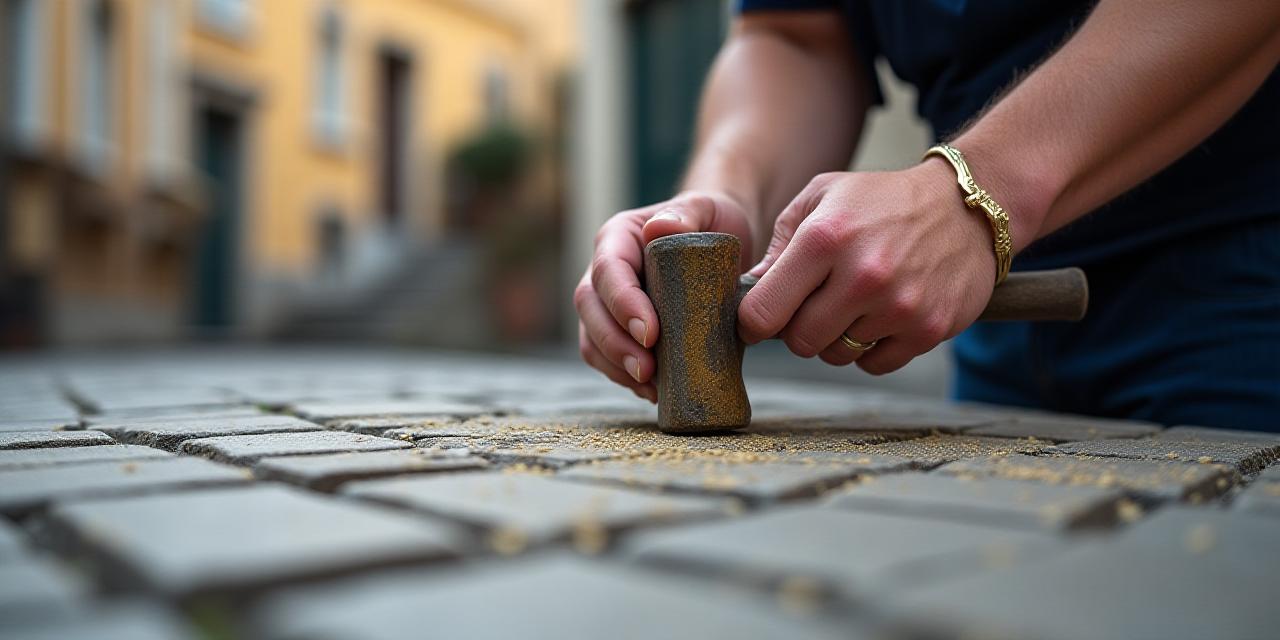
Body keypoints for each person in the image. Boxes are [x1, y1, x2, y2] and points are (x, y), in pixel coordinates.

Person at [575, 1, 1280, 431]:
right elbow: (796, 36)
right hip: (983, 331)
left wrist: (977, 193)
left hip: (1239, 288)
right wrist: (728, 198)